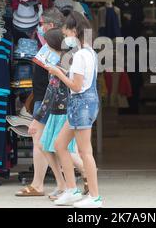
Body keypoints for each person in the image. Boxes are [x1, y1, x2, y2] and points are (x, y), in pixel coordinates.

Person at [47, 11, 102, 208]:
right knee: (60, 144)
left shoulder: (80, 55)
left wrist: (57, 73)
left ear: (75, 31)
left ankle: (94, 196)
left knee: (85, 152)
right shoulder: (89, 52)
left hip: (81, 104)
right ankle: (71, 190)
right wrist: (64, 72)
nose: (65, 36)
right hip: (85, 103)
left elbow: (77, 86)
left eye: (67, 32)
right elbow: (82, 82)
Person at [34, 28, 88, 200]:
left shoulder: (59, 65)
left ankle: (86, 173)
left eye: (47, 45)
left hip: (62, 112)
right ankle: (64, 184)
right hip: (59, 112)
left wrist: (37, 118)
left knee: (63, 149)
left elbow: (51, 93)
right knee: (48, 146)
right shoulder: (65, 61)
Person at [16, 7, 65, 197]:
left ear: (51, 25)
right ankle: (57, 184)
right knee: (46, 143)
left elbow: (52, 82)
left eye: (42, 24)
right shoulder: (49, 46)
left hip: (46, 100)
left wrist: (40, 109)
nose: (40, 27)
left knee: (43, 143)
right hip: (42, 99)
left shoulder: (53, 48)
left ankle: (40, 184)